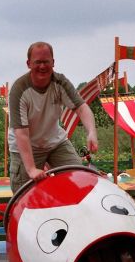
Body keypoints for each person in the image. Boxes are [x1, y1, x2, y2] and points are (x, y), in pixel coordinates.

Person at [8, 41, 98, 193]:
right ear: (29, 64)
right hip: (26, 146)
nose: (42, 66)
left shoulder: (60, 82)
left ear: (53, 63)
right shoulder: (19, 89)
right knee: (24, 194)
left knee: (78, 177)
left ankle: (73, 212)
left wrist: (92, 132)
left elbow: (82, 108)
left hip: (54, 142)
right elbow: (21, 134)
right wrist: (31, 169)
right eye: (38, 62)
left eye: (46, 62)